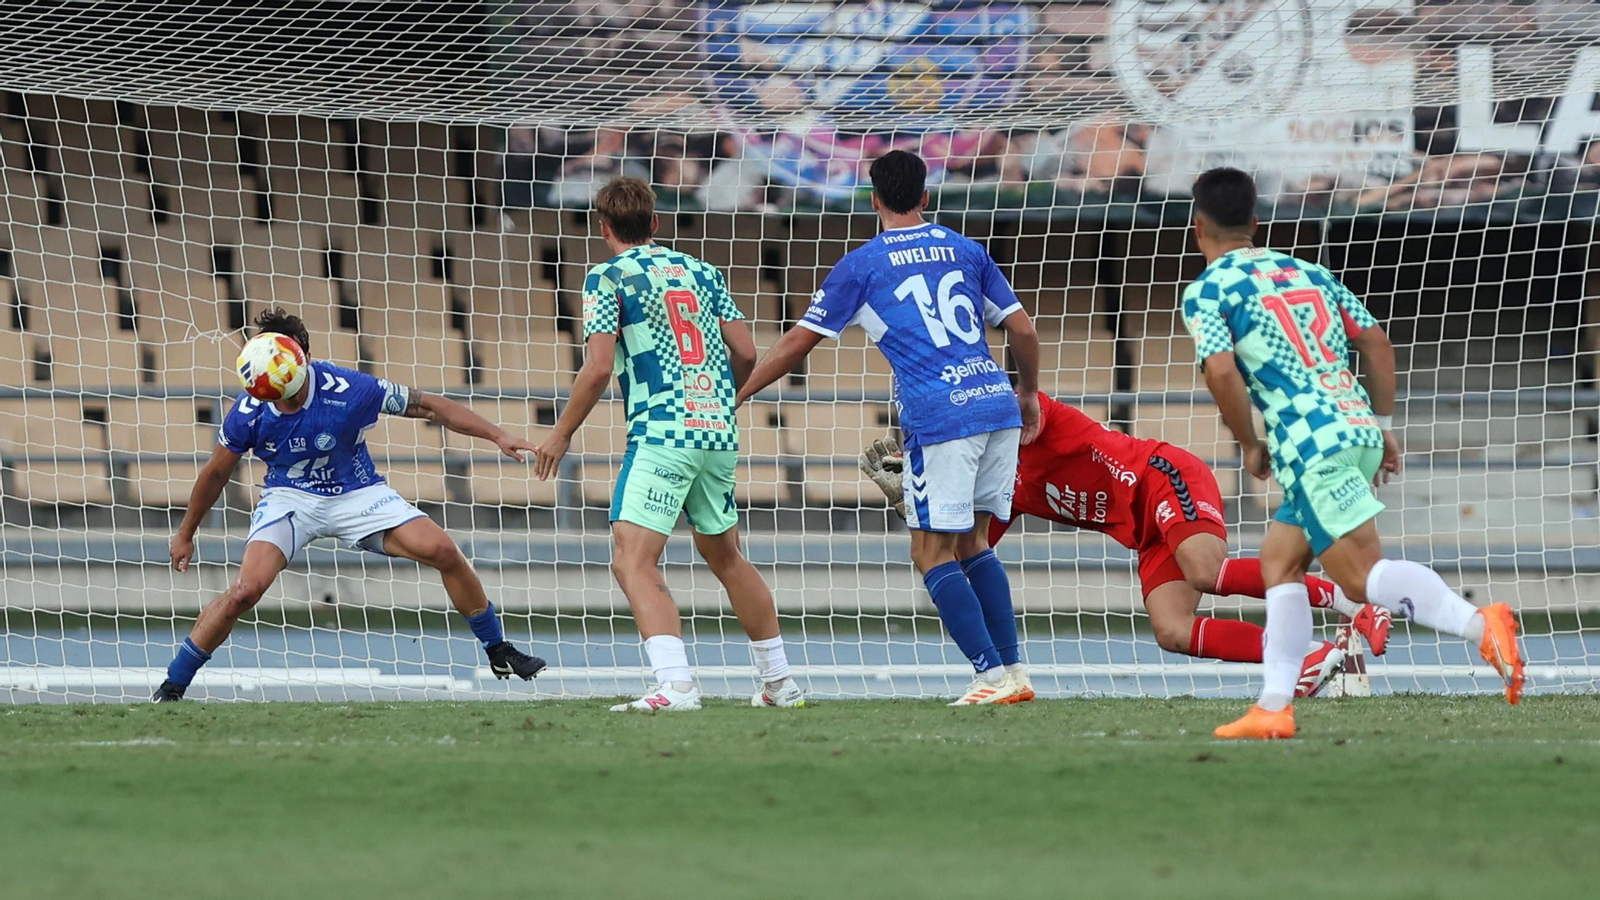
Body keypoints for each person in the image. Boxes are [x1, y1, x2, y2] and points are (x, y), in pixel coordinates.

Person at [1182, 167, 1524, 739]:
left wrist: (1247, 442)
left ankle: (1479, 623)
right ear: (1256, 223)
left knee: (1361, 579)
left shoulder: (1208, 289)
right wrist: (1383, 426)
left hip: (1311, 443)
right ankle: (1273, 706)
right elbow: (1377, 342)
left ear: (1198, 227)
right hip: (1355, 424)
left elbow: (1220, 370)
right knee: (1279, 563)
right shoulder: (1308, 271)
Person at [737, 149, 1042, 706]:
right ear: (926, 197)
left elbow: (794, 343)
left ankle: (989, 676)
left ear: (873, 200)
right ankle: (1014, 672)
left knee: (930, 553)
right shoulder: (967, 249)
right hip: (995, 402)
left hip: (941, 414)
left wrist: (738, 393)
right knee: (974, 542)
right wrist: (1027, 392)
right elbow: (1021, 329)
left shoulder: (863, 265)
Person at [860, 392, 1395, 698]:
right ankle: (1307, 655)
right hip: (1143, 530)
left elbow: (1023, 404)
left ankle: (1351, 600)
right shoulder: (996, 489)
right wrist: (913, 504)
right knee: (1172, 630)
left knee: (1206, 571)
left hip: (1164, 476)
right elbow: (966, 556)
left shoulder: (1017, 416)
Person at [155, 308, 546, 701]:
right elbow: (215, 474)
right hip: (290, 498)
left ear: (303, 358)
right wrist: (185, 533)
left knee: (443, 550)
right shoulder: (249, 410)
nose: (283, 403)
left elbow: (429, 406)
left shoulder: (350, 389)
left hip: (357, 492)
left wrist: (498, 435)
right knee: (244, 591)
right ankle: (172, 686)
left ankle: (499, 650)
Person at [532, 176, 804, 712]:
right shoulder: (703, 272)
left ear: (603, 227)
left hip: (662, 431)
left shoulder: (606, 276)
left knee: (632, 560)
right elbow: (747, 350)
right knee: (726, 556)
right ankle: (779, 683)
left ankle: (676, 685)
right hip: (717, 431)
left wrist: (561, 433)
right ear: (655, 223)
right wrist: (730, 396)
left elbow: (599, 366)